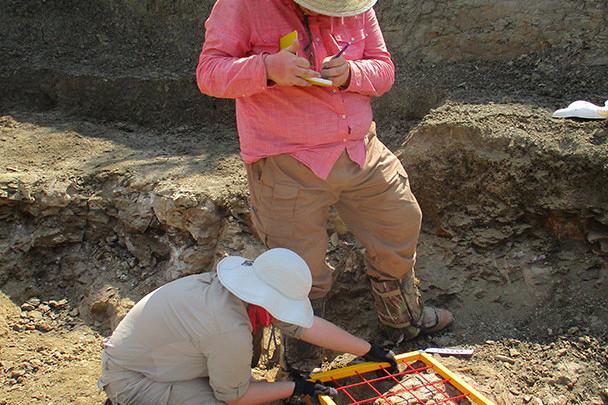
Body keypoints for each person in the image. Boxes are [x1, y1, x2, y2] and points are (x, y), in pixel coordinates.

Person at [196, 0, 454, 364]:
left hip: (361, 148)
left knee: (399, 222)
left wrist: (352, 74)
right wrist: (268, 68)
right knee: (297, 268)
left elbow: (384, 69)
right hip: (286, 161)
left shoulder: (355, 6)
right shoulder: (242, 4)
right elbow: (209, 73)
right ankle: (302, 360)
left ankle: (401, 319)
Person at [98, 248, 396, 405]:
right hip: (133, 379)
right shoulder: (229, 328)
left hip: (158, 364)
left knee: (250, 388)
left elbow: (307, 327)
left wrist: (370, 350)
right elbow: (234, 398)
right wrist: (296, 387)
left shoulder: (236, 295)